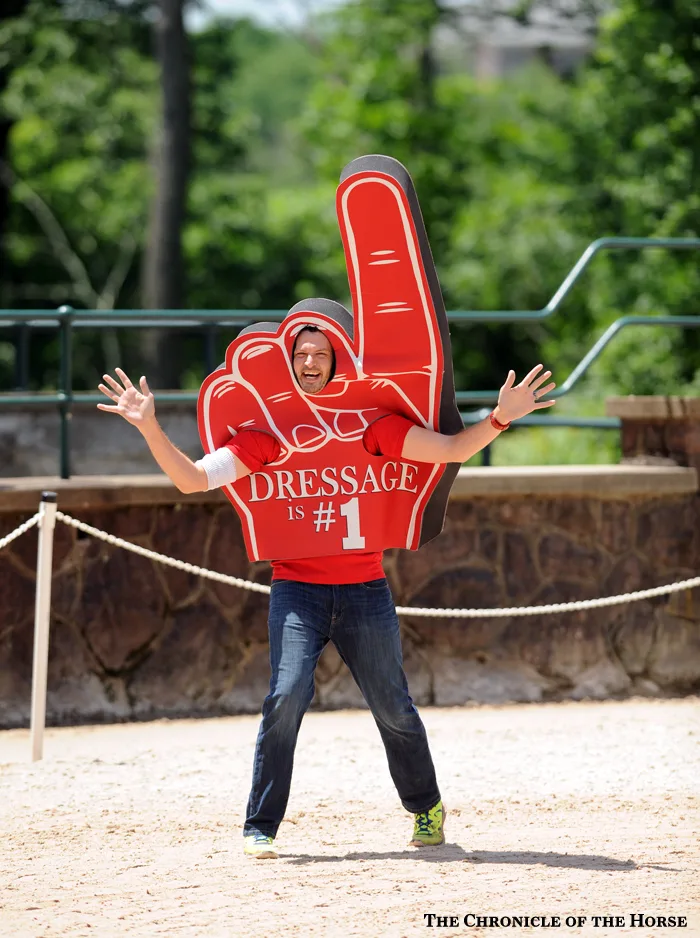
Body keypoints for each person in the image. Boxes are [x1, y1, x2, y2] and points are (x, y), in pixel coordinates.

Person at [98, 327, 555, 859]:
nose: (310, 362)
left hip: (364, 589)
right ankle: (261, 823)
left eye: (320, 354)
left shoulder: (375, 427)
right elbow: (193, 479)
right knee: (286, 695)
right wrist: (150, 426)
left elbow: (452, 448)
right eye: (301, 354)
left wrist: (500, 417)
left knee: (393, 706)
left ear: (340, 362)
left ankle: (426, 807)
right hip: (297, 591)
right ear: (287, 363)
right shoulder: (266, 434)